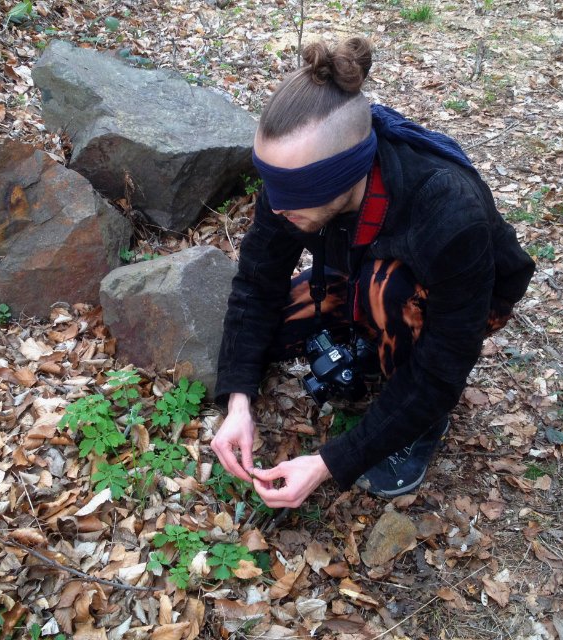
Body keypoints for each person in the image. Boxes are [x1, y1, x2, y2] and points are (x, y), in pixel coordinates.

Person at [211, 37, 534, 509]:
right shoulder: (290, 199)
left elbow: (445, 366)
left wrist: (331, 462)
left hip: (449, 294)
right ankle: (366, 332)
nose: (274, 206)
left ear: (345, 176)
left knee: (390, 293)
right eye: (271, 186)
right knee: (269, 336)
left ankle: (420, 427)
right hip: (356, 266)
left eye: (294, 194)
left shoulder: (447, 212)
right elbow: (257, 283)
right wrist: (237, 399)